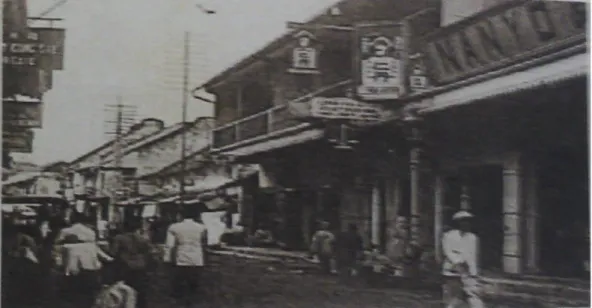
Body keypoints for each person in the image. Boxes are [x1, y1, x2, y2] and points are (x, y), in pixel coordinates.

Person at [56, 211, 114, 307]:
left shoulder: (65, 232)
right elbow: (98, 250)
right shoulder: (90, 232)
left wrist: (58, 263)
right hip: (90, 266)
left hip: (72, 267)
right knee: (89, 293)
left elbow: (57, 247)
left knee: (73, 294)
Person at [164, 205, 208, 307]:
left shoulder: (174, 227)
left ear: (181, 215)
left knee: (179, 285)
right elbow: (204, 244)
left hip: (181, 258)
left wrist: (167, 259)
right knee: (193, 285)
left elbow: (169, 245)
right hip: (197, 258)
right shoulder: (202, 228)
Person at [442, 210, 484, 308]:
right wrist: (458, 263)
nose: (465, 223)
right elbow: (448, 252)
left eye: (467, 221)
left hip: (468, 273)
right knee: (454, 298)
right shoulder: (449, 236)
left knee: (475, 297)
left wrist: (474, 273)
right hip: (452, 271)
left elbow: (473, 256)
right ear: (457, 222)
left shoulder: (473, 237)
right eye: (462, 221)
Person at [111, 218, 155, 308]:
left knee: (125, 290)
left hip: (125, 265)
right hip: (140, 265)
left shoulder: (119, 238)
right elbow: (149, 252)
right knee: (140, 289)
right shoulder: (142, 239)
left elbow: (113, 252)